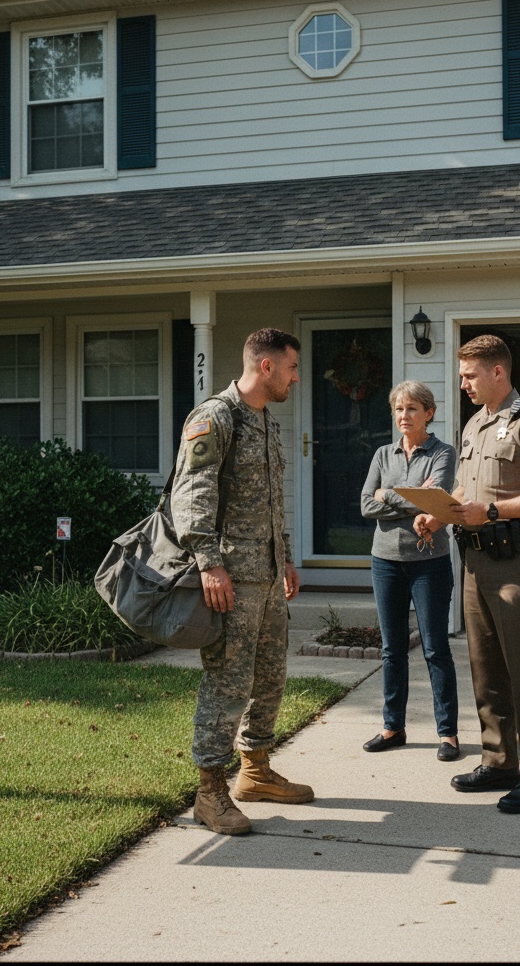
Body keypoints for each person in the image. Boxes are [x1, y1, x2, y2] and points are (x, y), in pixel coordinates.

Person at [166, 327, 312, 836]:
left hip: (268, 576)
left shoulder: (267, 422)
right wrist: (208, 562)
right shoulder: (215, 417)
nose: (297, 377)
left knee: (269, 677)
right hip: (230, 578)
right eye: (292, 368)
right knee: (228, 682)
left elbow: (271, 499)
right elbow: (192, 495)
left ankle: (255, 772)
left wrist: (287, 558)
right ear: (266, 366)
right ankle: (210, 793)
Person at [417, 334, 520, 814]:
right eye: (462, 375)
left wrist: (497, 511)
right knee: (486, 669)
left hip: (514, 564)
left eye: (469, 375)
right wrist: (438, 514)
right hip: (475, 561)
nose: (463, 384)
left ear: (497, 372)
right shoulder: (475, 425)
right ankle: (500, 761)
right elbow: (466, 486)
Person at [360, 380, 460, 760]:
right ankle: (392, 727)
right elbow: (367, 505)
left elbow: (439, 498)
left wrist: (390, 493)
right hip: (385, 561)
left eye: (412, 409)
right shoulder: (382, 455)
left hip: (428, 563)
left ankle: (448, 734)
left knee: (435, 648)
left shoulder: (442, 453)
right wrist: (412, 500)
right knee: (392, 649)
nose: (404, 416)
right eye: (399, 409)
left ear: (428, 413)